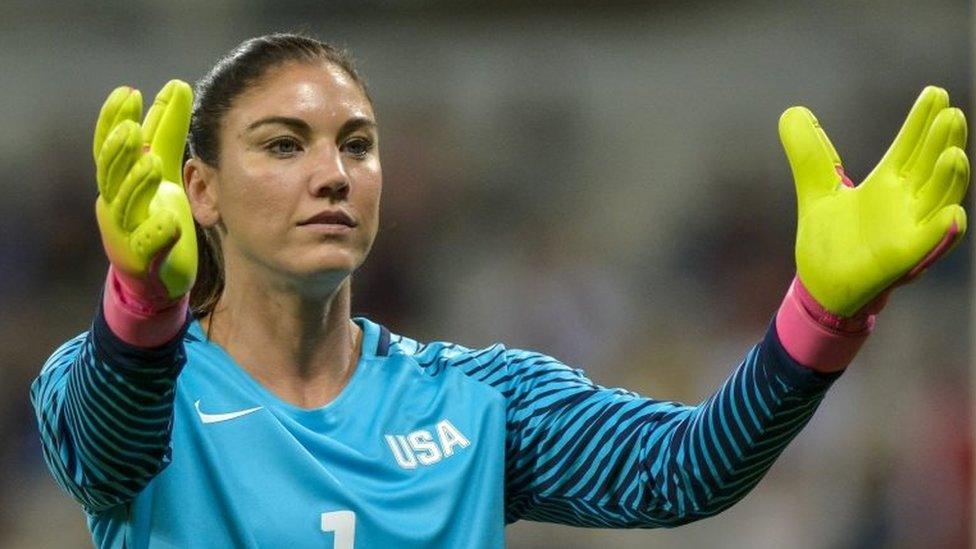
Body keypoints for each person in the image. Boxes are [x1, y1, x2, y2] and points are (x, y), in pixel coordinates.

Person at [30, 33, 969, 548]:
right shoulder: (122, 388)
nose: (334, 174)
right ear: (202, 191)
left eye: (356, 144)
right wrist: (141, 302)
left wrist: (821, 314)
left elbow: (682, 468)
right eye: (284, 144)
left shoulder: (482, 399)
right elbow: (109, 444)